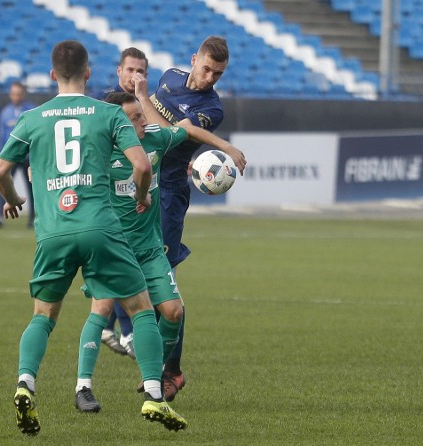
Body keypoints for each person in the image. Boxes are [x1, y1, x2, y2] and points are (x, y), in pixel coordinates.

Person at [0, 40, 187, 435]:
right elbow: (140, 165)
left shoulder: (32, 118)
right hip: (101, 229)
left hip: (52, 235)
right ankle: (153, 395)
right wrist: (145, 192)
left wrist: (12, 201)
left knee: (43, 316)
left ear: (51, 75)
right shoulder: (109, 113)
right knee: (140, 307)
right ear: (88, 74)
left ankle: (25, 385)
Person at [74, 78, 247, 412]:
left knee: (173, 312)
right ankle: (83, 387)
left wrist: (226, 148)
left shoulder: (155, 139)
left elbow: (189, 130)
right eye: (135, 118)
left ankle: (157, 373)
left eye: (142, 115)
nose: (144, 121)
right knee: (102, 307)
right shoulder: (98, 153)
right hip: (113, 247)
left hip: (150, 249)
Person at [146, 35, 247, 400]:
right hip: (138, 185)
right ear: (193, 60)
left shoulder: (212, 107)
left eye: (217, 74)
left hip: (169, 196)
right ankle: (133, 345)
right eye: (206, 69)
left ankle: (172, 370)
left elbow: (176, 132)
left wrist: (227, 147)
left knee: (164, 281)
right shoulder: (169, 76)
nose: (209, 79)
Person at [91, 47, 151, 358]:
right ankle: (126, 331)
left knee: (127, 271)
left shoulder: (146, 107)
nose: (135, 76)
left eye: (141, 71)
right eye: (130, 70)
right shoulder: (107, 107)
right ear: (119, 71)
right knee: (124, 270)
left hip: (140, 199)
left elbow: (156, 138)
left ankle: (108, 325)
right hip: (111, 202)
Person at [0, 81, 35, 228]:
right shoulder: (5, 113)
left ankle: (33, 219)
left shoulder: (32, 110)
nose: (16, 97)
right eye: (14, 94)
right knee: (3, 183)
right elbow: (2, 136)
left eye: (19, 94)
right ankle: (1, 216)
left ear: (24, 94)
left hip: (27, 157)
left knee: (33, 188)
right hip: (11, 157)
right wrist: (1, 156)